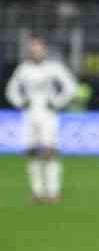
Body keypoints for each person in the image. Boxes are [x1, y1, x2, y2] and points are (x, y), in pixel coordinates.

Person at [6, 33, 80, 202]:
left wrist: (58, 102)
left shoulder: (53, 68)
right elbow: (11, 90)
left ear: (44, 49)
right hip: (30, 114)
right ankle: (37, 192)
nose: (35, 50)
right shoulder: (23, 69)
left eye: (38, 47)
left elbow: (71, 85)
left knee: (50, 151)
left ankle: (53, 191)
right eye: (32, 48)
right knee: (32, 152)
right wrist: (21, 102)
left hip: (48, 114)